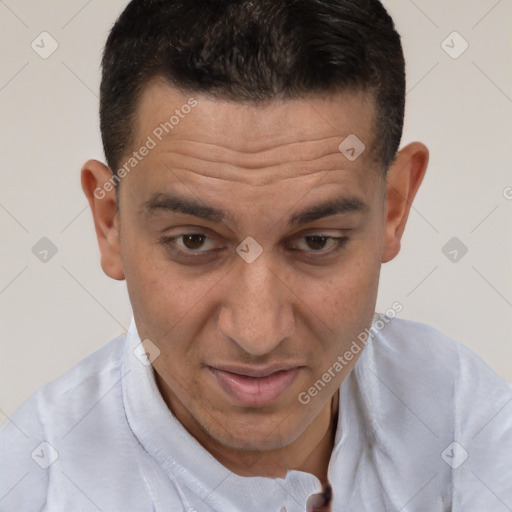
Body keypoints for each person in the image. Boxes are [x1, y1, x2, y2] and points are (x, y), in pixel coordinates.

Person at [1, 0, 511, 511]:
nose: (257, 333)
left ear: (393, 210)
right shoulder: (31, 486)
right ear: (109, 223)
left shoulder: (463, 416)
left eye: (317, 241)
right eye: (194, 241)